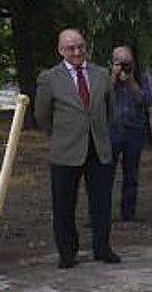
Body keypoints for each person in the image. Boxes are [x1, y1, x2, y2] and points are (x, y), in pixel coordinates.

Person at [34, 28, 120, 269]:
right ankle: (67, 253)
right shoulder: (49, 78)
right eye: (70, 48)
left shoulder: (102, 75)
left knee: (101, 203)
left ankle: (102, 248)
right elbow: (42, 115)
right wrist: (61, 134)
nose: (77, 51)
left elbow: (110, 110)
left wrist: (101, 133)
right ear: (61, 50)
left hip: (98, 148)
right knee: (63, 204)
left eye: (80, 46)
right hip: (65, 150)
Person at [108, 44, 152, 221]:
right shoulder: (106, 76)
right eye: (120, 62)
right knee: (105, 174)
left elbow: (146, 101)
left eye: (127, 62)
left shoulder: (140, 77)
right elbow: (99, 100)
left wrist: (131, 81)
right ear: (112, 62)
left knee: (131, 173)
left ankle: (128, 213)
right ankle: (100, 213)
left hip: (134, 130)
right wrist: (113, 77)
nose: (124, 66)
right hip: (112, 130)